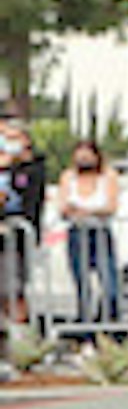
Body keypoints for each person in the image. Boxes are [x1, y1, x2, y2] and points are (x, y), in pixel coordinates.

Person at [54, 140, 120, 327]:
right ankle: (85, 326)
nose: (83, 158)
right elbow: (63, 207)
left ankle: (107, 322)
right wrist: (75, 211)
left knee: (110, 284)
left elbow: (111, 206)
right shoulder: (68, 177)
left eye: (88, 154)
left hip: (100, 233)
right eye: (80, 154)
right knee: (82, 285)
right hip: (77, 233)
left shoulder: (108, 176)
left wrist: (85, 211)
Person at [0, 120, 42, 330]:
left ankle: (22, 334)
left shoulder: (31, 169)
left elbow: (29, 201)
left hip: (17, 238)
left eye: (12, 137)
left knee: (14, 289)